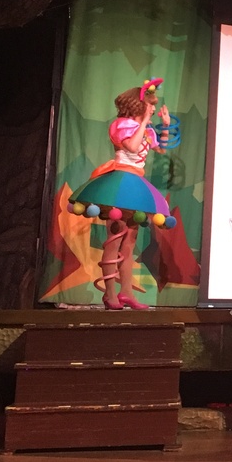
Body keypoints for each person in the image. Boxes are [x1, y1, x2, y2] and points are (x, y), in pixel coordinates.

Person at [69, 78, 176, 310]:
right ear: (139, 105)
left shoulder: (145, 130)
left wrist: (165, 126)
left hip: (136, 184)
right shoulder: (122, 125)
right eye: (150, 104)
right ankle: (110, 294)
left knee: (130, 242)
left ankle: (126, 292)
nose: (154, 108)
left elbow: (160, 148)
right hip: (119, 183)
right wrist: (145, 121)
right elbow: (132, 147)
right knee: (115, 238)